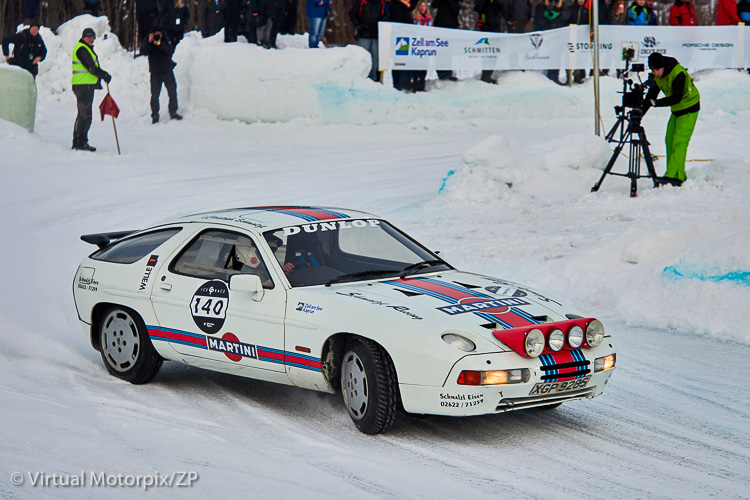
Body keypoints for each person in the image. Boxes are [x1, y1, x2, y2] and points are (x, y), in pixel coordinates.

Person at [643, 52, 700, 187]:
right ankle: (679, 175)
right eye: (653, 70)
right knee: (669, 140)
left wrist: (655, 103)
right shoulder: (657, 75)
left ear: (663, 66)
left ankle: (672, 175)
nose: (656, 73)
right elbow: (651, 95)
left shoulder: (678, 73)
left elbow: (676, 98)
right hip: (676, 110)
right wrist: (640, 113)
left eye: (658, 70)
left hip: (689, 108)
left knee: (680, 142)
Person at [71, 27, 111, 152]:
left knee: (86, 115)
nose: (91, 39)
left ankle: (82, 141)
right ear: (83, 37)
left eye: (93, 37)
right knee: (84, 115)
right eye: (89, 37)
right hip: (82, 86)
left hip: (86, 85)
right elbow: (91, 68)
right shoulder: (82, 49)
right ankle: (78, 142)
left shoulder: (86, 48)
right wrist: (103, 74)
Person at [140, 27, 182, 123]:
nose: (158, 36)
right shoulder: (148, 41)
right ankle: (155, 115)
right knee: (154, 95)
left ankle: (173, 112)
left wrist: (159, 43)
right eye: (155, 34)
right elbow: (143, 51)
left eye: (159, 34)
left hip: (167, 70)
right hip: (155, 72)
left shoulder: (165, 39)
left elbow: (169, 51)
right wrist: (149, 42)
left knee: (172, 92)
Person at [533, 0, 569, 84]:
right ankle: (545, 77)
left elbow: (567, 16)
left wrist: (558, 14)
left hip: (559, 35)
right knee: (546, 56)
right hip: (546, 35)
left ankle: (555, 77)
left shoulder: (562, 5)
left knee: (557, 56)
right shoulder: (541, 6)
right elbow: (538, 20)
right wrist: (546, 16)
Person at [350, 0, 387, 81]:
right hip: (364, 34)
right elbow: (352, 14)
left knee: (375, 58)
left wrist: (382, 22)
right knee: (363, 57)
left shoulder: (381, 2)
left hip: (376, 34)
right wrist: (358, 25)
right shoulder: (361, 1)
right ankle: (362, 78)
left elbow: (385, 15)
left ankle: (373, 79)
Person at [474, 0, 506, 84]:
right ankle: (485, 75)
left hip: (495, 26)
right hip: (485, 26)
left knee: (494, 52)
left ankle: (488, 74)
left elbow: (503, 7)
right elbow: (477, 7)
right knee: (487, 52)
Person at [431, 0, 460, 81]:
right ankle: (441, 72)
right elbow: (434, 4)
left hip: (451, 25)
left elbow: (456, 9)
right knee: (440, 50)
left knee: (448, 50)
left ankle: (448, 71)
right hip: (440, 24)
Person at [411, 0, 432, 91]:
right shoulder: (415, 18)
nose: (422, 8)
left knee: (424, 65)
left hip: (426, 44)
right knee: (416, 65)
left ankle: (422, 84)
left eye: (424, 6)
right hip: (417, 44)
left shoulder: (429, 19)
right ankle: (415, 84)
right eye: (421, 6)